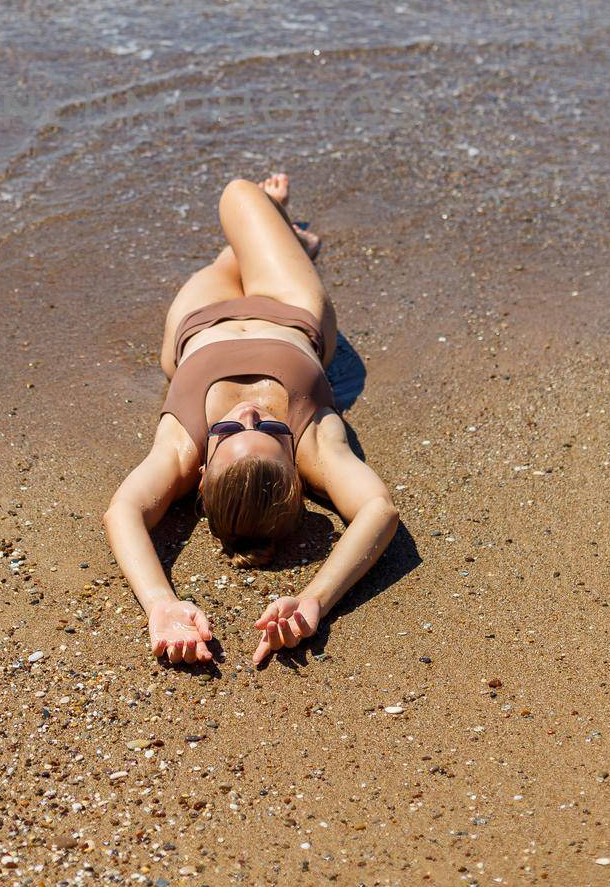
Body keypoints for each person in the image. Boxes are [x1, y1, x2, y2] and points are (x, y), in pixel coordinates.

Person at [102, 173, 399, 666]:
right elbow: (378, 511)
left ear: (201, 473)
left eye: (226, 432)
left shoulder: (180, 449)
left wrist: (160, 604)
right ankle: (283, 229)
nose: (249, 414)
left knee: (236, 232)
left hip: (198, 322)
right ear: (295, 464)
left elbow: (123, 513)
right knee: (242, 198)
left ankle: (282, 231)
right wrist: (315, 600)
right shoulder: (316, 444)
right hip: (288, 307)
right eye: (270, 430)